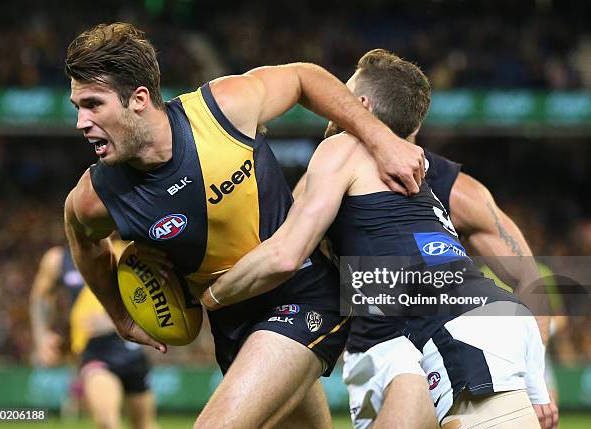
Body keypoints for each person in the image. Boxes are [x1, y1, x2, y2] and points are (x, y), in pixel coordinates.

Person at [63, 23, 425, 429]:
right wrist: (120, 315)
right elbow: (80, 235)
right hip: (235, 327)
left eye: (94, 104)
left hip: (306, 295)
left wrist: (380, 138)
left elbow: (303, 78)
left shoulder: (222, 109)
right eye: (78, 106)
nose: (81, 121)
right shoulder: (97, 196)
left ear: (139, 99)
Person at [201, 49, 554, 429]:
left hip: (443, 331)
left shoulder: (345, 153)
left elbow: (286, 254)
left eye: (344, 93)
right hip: (438, 331)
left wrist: (211, 293)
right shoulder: (403, 177)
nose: (332, 105)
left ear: (361, 104)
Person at [30, 241, 157, 429]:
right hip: (93, 351)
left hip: (132, 349)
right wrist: (42, 337)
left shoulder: (129, 251)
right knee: (107, 423)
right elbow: (40, 296)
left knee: (144, 425)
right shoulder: (58, 259)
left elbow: (153, 296)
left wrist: (117, 319)